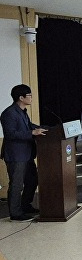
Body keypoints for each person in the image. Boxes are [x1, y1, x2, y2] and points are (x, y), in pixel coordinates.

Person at [0, 85, 46, 221]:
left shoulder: (22, 111)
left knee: (32, 181)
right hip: (16, 155)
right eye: (29, 95)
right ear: (21, 97)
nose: (31, 98)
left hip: (27, 154)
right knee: (17, 184)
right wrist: (32, 132)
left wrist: (44, 129)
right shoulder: (9, 113)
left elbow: (28, 125)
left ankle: (25, 205)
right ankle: (15, 213)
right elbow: (10, 134)